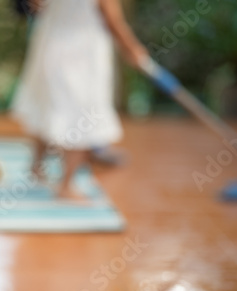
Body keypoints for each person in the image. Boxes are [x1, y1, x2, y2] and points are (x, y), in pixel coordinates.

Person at [11, 0, 148, 200]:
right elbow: (113, 19)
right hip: (81, 52)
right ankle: (66, 185)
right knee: (81, 115)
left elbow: (35, 5)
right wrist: (133, 50)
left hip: (49, 43)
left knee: (48, 108)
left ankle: (37, 169)